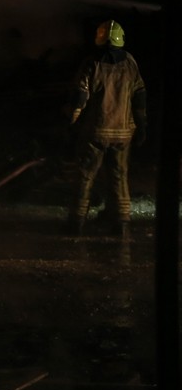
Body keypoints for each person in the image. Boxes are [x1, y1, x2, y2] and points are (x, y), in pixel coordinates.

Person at [64, 19, 147, 237]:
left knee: (85, 176)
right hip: (123, 134)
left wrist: (71, 124)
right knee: (119, 176)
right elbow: (140, 96)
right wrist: (142, 126)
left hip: (95, 132)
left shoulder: (92, 64)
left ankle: (76, 223)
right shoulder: (130, 62)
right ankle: (121, 223)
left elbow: (80, 98)